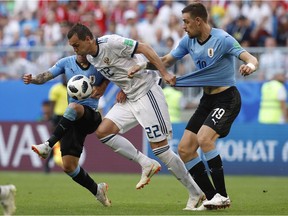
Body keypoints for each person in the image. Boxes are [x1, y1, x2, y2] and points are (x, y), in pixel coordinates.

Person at [130, 2, 259, 210]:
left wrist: (250, 65)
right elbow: (166, 61)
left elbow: (249, 57)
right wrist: (144, 65)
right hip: (206, 101)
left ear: (198, 21)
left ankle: (223, 196)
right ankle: (211, 197)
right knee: (185, 149)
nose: (183, 26)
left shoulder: (223, 39)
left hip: (227, 98)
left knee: (204, 139)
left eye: (186, 22)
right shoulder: (188, 41)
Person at [65, 23, 204, 210]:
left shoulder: (111, 42)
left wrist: (164, 72)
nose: (75, 50)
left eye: (76, 45)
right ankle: (145, 163)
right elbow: (114, 70)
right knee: (103, 132)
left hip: (147, 91)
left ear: (88, 39)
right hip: (130, 96)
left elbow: (145, 48)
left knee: (161, 149)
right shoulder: (91, 56)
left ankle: (195, 192)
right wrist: (110, 88)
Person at [23, 54, 111, 207]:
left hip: (91, 116)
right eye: (74, 46)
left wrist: (104, 86)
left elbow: (114, 73)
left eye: (78, 45)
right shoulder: (66, 63)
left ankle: (47, 145)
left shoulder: (99, 61)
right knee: (69, 166)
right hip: (74, 120)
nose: (77, 50)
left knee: (73, 107)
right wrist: (33, 79)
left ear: (87, 42)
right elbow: (46, 76)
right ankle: (98, 190)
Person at [45, 74, 68, 172]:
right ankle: (49, 164)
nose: (65, 78)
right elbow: (52, 105)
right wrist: (51, 119)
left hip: (69, 118)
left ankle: (65, 165)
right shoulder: (56, 89)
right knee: (56, 142)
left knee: (63, 143)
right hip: (58, 117)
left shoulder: (73, 88)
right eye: (63, 77)